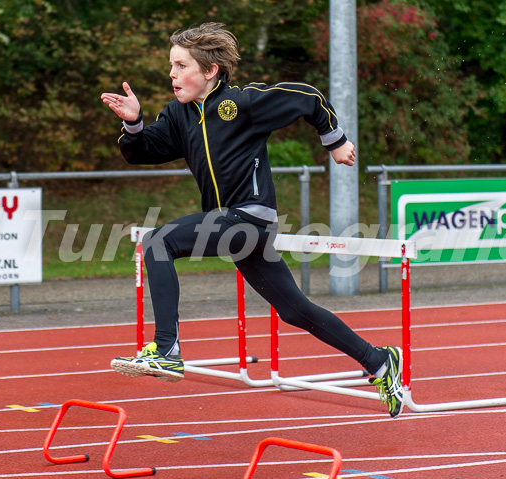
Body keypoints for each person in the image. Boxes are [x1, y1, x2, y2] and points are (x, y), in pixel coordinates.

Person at [101, 23, 404, 417]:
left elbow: (308, 97)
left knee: (160, 241)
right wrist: (133, 122)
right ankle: (379, 360)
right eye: (170, 66)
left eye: (180, 65)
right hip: (228, 224)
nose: (171, 74)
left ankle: (166, 348)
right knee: (294, 311)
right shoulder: (178, 115)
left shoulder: (243, 103)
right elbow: (140, 152)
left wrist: (335, 140)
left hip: (250, 219)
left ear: (210, 70)